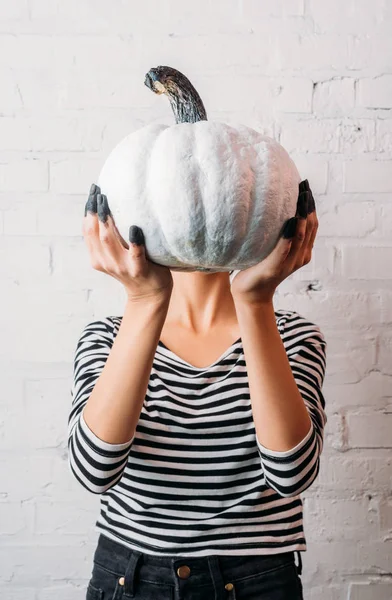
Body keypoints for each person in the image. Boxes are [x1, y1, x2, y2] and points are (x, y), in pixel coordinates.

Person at [68, 179, 326, 600]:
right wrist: (146, 300)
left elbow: (292, 474)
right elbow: (94, 470)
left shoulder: (294, 336)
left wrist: (256, 302)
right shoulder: (105, 337)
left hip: (259, 581)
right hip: (130, 579)